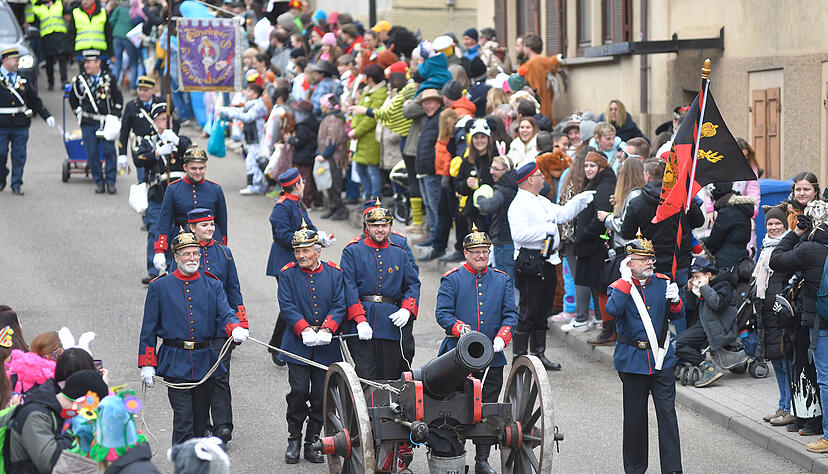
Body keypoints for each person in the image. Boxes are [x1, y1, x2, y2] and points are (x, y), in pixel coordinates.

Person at [138, 231, 249, 445]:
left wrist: (235, 327)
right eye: (187, 254)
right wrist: (147, 364)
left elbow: (225, 312)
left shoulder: (212, 284)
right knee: (183, 420)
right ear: (176, 258)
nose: (192, 258)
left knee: (200, 423)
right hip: (175, 359)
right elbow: (148, 329)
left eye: (195, 254)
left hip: (204, 360)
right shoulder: (159, 287)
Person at [435, 226, 517, 474]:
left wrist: (502, 338)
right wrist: (461, 330)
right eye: (476, 252)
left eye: (485, 251)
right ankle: (454, 454)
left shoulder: (502, 280)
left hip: (493, 357)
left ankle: (482, 459)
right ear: (466, 253)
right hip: (457, 358)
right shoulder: (452, 279)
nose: (482, 256)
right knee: (454, 405)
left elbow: (510, 316)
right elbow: (443, 314)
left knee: (489, 407)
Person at [605, 233, 684, 474]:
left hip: (662, 360)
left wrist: (676, 300)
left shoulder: (662, 281)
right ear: (630, 263)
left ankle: (672, 469)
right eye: (643, 259)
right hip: (633, 361)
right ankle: (635, 469)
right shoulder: (620, 286)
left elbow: (678, 315)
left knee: (668, 417)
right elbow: (612, 310)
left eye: (651, 258)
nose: (650, 263)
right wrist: (627, 283)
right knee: (635, 420)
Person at [507, 162, 595, 370]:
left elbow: (562, 214)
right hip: (530, 261)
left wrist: (581, 201)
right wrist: (546, 229)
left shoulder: (540, 200)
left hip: (547, 260)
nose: (542, 179)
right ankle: (519, 357)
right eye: (539, 175)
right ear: (530, 179)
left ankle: (539, 355)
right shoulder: (519, 204)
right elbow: (519, 234)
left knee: (543, 309)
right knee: (528, 311)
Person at [171, 208, 247, 444]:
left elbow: (234, 288)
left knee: (220, 374)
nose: (210, 228)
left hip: (222, 324)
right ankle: (202, 424)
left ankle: (223, 424)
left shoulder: (224, 253)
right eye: (204, 225)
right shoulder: (185, 253)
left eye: (212, 224)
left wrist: (241, 321)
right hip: (196, 327)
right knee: (199, 377)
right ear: (192, 228)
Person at [277, 223, 345, 464]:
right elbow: (287, 306)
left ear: (318, 250)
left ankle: (312, 440)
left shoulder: (334, 273)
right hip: (298, 344)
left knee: (320, 395)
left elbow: (339, 304)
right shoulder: (287, 274)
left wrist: (328, 328)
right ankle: (294, 438)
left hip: (326, 346)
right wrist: (303, 328)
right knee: (298, 392)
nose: (301, 256)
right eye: (297, 251)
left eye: (305, 251)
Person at [340, 200, 420, 381]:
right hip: (361, 321)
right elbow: (348, 287)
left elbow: (412, 284)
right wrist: (359, 320)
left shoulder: (399, 253)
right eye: (375, 226)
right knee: (367, 375)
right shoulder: (352, 251)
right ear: (366, 227)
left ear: (391, 226)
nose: (380, 230)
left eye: (384, 225)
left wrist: (407, 309)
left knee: (391, 375)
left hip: (391, 324)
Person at [770, 200, 828, 444]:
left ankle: (826, 436)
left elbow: (777, 260)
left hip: (819, 323)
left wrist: (795, 234)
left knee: (824, 378)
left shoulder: (809, 248)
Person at [7, 369, 108, 473]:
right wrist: (79, 427)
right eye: (94, 409)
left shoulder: (58, 411)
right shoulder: (35, 415)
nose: (93, 415)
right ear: (82, 401)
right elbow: (52, 462)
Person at [133, 103, 190, 284]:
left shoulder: (180, 140)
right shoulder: (148, 141)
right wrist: (156, 153)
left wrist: (178, 142)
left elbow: (193, 153)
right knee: (156, 229)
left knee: (180, 231)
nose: (165, 122)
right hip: (157, 194)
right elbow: (138, 159)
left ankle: (177, 267)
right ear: (155, 122)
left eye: (167, 119)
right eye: (161, 119)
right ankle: (154, 271)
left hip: (180, 195)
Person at [592, 157, 646, 344]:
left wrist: (607, 218)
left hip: (628, 249)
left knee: (607, 289)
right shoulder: (634, 194)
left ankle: (610, 331)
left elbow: (625, 226)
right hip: (627, 249)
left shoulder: (634, 196)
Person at [153, 145, 228, 273]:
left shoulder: (215, 190)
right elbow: (164, 221)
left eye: (201, 168)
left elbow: (222, 222)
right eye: (193, 168)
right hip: (180, 238)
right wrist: (160, 250)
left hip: (210, 240)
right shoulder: (173, 189)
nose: (198, 172)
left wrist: (223, 248)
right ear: (185, 167)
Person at [564, 151, 616, 332]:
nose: (588, 169)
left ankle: (592, 320)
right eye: (586, 165)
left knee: (595, 283)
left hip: (594, 244)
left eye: (592, 166)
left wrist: (585, 234)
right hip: (590, 244)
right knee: (592, 282)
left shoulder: (604, 186)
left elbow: (600, 216)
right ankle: (598, 319)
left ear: (601, 167)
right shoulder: (596, 183)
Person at [753, 205, 795, 427]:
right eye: (770, 223)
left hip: (781, 313)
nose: (774, 227)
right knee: (777, 363)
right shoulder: (765, 247)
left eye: (778, 223)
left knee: (786, 362)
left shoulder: (787, 247)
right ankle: (782, 405)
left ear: (785, 224)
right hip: (767, 313)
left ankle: (789, 408)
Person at [675, 256, 738, 388]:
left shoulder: (724, 285)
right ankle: (681, 368)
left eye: (697, 276)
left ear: (708, 275)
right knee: (674, 344)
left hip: (717, 328)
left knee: (677, 345)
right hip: (704, 324)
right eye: (693, 277)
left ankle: (708, 368)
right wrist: (689, 290)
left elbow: (717, 304)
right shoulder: (706, 285)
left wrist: (704, 286)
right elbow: (693, 305)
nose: (695, 280)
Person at [0, 47, 54, 196]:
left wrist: (46, 115)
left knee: (19, 155)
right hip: (2, 124)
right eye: (15, 60)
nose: (18, 62)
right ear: (5, 60)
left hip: (20, 123)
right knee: (1, 153)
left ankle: (16, 183)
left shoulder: (24, 78)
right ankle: (2, 175)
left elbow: (34, 100)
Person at [68, 49, 123, 195]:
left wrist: (115, 115)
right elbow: (73, 99)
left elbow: (118, 98)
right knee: (91, 153)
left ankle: (111, 181)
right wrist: (78, 113)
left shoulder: (109, 78)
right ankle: (99, 181)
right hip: (88, 121)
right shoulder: (80, 80)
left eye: (89, 62)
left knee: (109, 151)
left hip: (105, 122)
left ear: (98, 63)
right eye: (85, 62)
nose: (86, 65)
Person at [221, 82, 269, 195]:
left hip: (257, 139)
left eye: (249, 91)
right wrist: (226, 110)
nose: (246, 93)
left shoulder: (258, 106)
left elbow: (248, 117)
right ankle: (255, 185)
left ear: (256, 94)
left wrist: (228, 112)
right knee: (251, 162)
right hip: (251, 138)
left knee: (253, 162)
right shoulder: (251, 104)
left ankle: (255, 186)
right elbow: (242, 111)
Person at [475, 155, 517, 281]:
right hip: (513, 241)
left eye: (496, 169)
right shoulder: (517, 185)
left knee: (504, 281)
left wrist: (479, 198)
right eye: (491, 168)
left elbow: (489, 206)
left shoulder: (502, 189)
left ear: (506, 170)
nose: (491, 172)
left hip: (503, 242)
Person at [349, 64, 388, 200]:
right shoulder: (367, 90)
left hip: (371, 138)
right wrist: (354, 128)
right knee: (359, 168)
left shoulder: (381, 93)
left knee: (372, 169)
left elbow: (372, 118)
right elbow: (359, 112)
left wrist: (357, 131)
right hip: (360, 138)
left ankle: (375, 197)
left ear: (370, 78)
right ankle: (367, 194)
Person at [119, 76, 162, 184]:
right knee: (143, 179)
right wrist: (122, 154)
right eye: (140, 89)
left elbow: (173, 123)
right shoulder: (131, 106)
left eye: (145, 90)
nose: (142, 93)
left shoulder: (162, 103)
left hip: (160, 144)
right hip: (141, 147)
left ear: (153, 90)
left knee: (160, 178)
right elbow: (124, 131)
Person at [702, 181, 755, 269]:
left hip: (725, 262)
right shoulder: (742, 208)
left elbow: (714, 241)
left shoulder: (725, 212)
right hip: (742, 258)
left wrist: (700, 242)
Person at [315, 93, 348, 220]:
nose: (321, 107)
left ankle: (340, 208)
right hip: (328, 155)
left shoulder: (334, 119)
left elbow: (333, 140)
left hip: (334, 157)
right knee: (329, 182)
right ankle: (333, 207)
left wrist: (324, 154)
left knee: (335, 183)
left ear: (327, 106)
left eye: (322, 105)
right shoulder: (328, 117)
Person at [31, 0, 68, 91]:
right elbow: (34, 23)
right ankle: (51, 83)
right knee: (49, 61)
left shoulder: (58, 3)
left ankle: (64, 81)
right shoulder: (37, 8)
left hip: (60, 35)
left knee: (62, 59)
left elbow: (67, 13)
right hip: (47, 37)